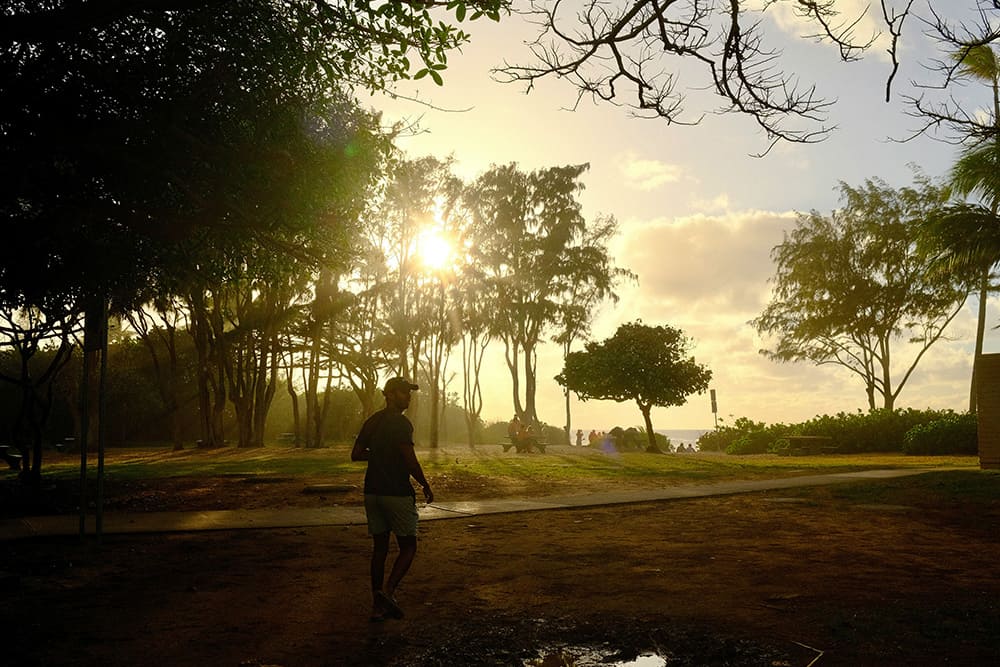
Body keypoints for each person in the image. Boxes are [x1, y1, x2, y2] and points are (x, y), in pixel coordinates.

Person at [351, 376, 433, 622]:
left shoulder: (372, 421)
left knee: (380, 548)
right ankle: (388, 591)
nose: (408, 397)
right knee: (409, 546)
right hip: (396, 492)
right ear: (389, 394)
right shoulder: (401, 424)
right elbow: (409, 460)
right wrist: (425, 484)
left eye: (409, 393)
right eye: (403, 392)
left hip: (372, 492)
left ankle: (377, 606)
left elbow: (356, 454)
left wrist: (379, 455)